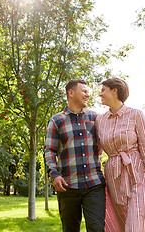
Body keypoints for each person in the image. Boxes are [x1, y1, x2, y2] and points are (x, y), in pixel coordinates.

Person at [95, 78, 145, 232]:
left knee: (136, 225)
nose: (100, 94)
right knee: (124, 224)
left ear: (115, 91)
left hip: (139, 177)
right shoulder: (100, 120)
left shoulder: (135, 115)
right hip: (114, 179)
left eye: (103, 90)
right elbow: (97, 150)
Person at [44, 79, 106, 232]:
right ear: (71, 93)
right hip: (67, 185)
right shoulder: (56, 120)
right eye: (84, 91)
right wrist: (55, 175)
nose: (88, 94)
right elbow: (49, 151)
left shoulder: (96, 118)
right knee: (70, 229)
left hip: (94, 184)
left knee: (97, 229)